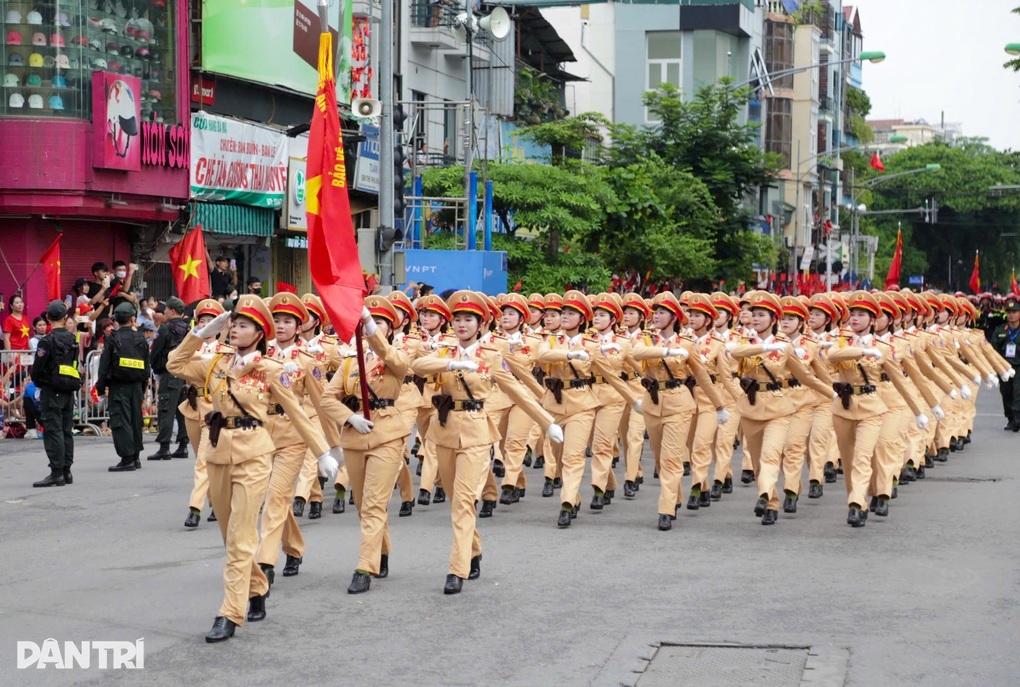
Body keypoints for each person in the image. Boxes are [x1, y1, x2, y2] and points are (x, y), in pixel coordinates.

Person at [166, 295, 332, 643]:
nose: (235, 329)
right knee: (229, 535)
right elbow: (175, 364)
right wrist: (200, 333)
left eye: (243, 325)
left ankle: (229, 611)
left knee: (242, 537)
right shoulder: (216, 362)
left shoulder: (270, 370)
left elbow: (299, 413)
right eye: (233, 324)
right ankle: (257, 585)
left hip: (255, 453)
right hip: (217, 453)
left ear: (259, 333)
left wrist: (322, 453)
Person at [411, 290, 561, 594]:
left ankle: (457, 569)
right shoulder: (445, 352)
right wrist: (450, 366)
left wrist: (547, 422)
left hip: (477, 434)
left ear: (481, 324)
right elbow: (417, 366)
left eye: (469, 319)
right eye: (458, 319)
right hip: (445, 431)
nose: (462, 324)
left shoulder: (492, 356)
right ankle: (473, 550)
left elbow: (518, 391)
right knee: (456, 501)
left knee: (465, 501)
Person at [320, 297, 413, 594]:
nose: (368, 329)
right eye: (361, 325)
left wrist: (369, 323)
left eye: (380, 323)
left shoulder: (395, 358)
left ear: (389, 328)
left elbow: (386, 352)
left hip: (386, 434)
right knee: (362, 505)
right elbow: (326, 398)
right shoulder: (349, 362)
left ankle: (364, 567)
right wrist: (349, 417)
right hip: (356, 436)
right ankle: (381, 550)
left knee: (373, 505)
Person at [30, 300, 82, 487]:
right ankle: (66, 471)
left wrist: (38, 381)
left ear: (48, 318)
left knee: (53, 431)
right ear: (64, 317)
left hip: (52, 390)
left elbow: (37, 370)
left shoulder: (47, 341)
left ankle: (56, 472)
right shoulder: (72, 339)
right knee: (66, 430)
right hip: (68, 389)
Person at [97, 302, 150, 472]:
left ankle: (127, 459)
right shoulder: (141, 338)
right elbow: (146, 366)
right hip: (136, 386)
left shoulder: (113, 338)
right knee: (135, 420)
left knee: (121, 421)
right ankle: (135, 457)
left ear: (116, 320)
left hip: (119, 386)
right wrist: (142, 388)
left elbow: (104, 365)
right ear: (133, 318)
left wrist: (101, 386)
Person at [148, 296, 191, 459]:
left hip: (170, 373)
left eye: (166, 309)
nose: (163, 311)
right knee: (183, 410)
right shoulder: (187, 329)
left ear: (172, 311)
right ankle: (183, 445)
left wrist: (156, 367)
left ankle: (164, 447)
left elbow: (156, 351)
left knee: (166, 409)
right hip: (184, 373)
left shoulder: (165, 329)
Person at [991, 296, 1020, 430]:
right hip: (1004, 367)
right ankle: (1010, 418)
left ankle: (1017, 418)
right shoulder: (1001, 330)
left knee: (1017, 392)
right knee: (1006, 392)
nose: (1011, 315)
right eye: (1009, 312)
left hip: (1019, 367)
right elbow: (993, 349)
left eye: (1014, 312)